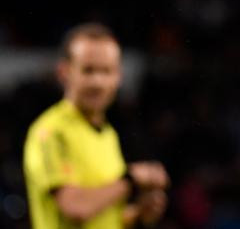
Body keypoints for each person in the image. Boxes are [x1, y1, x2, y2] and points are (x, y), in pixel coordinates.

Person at [23, 22, 170, 229]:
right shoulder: (50, 131)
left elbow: (103, 218)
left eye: (106, 71)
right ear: (64, 72)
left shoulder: (108, 134)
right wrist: (131, 179)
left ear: (118, 77)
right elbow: (76, 208)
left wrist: (139, 214)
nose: (97, 82)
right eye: (88, 70)